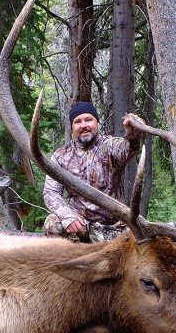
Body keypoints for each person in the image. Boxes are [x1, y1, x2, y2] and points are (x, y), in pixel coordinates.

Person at [43, 101, 143, 242]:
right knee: (52, 225)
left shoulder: (109, 146)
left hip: (114, 228)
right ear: (72, 127)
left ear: (97, 123)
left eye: (88, 119)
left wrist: (133, 136)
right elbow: (50, 192)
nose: (84, 125)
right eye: (77, 121)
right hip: (81, 226)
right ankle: (70, 261)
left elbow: (126, 150)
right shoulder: (60, 156)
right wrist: (67, 216)